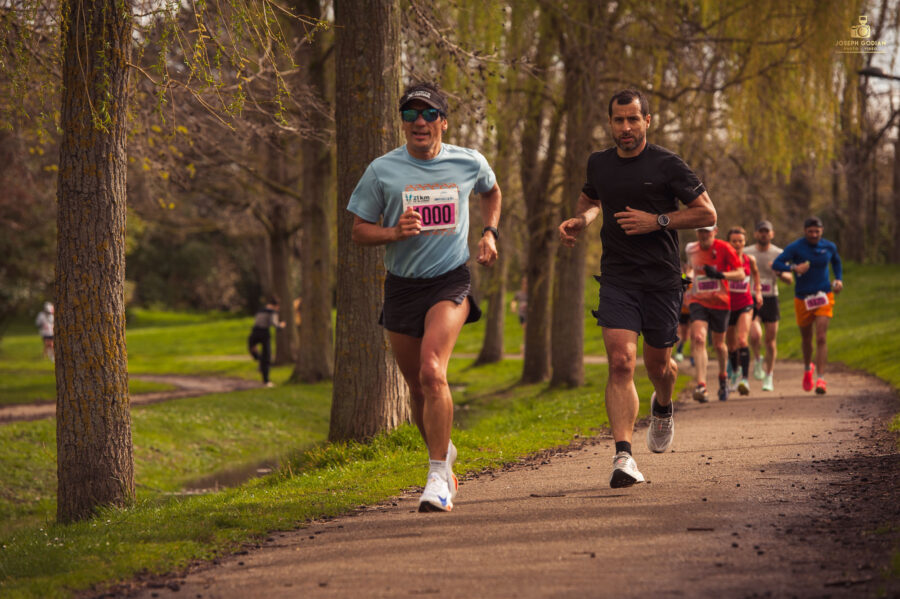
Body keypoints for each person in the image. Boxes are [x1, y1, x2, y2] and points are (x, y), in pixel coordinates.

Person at [347, 82, 501, 512]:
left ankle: (437, 476)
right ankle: (443, 451)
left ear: (443, 122)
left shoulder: (468, 161)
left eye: (429, 114)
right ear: (403, 123)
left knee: (434, 372)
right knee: (416, 387)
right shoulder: (382, 171)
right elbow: (359, 230)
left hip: (449, 281)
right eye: (411, 114)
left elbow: (491, 191)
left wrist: (490, 233)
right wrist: (393, 231)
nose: (420, 122)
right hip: (402, 285)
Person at [558, 89, 716, 488]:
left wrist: (657, 221)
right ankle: (623, 456)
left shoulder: (667, 164)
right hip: (618, 276)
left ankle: (663, 405)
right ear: (610, 123)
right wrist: (583, 219)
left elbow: (706, 213)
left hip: (661, 279)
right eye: (618, 120)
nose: (625, 128)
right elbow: (591, 198)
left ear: (648, 120)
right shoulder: (600, 163)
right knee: (621, 362)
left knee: (659, 367)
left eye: (633, 119)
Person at [772, 216, 843, 394]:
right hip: (802, 298)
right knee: (806, 339)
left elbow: (836, 261)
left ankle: (821, 379)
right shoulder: (796, 247)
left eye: (816, 231)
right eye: (810, 231)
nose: (813, 234)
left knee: (820, 337)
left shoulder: (829, 246)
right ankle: (807, 368)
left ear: (822, 230)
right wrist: (794, 269)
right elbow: (777, 263)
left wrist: (839, 279)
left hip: (824, 296)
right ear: (805, 231)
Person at [685, 225, 744, 403]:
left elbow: (740, 274)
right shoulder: (690, 248)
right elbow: (690, 268)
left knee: (719, 345)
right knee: (699, 338)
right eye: (700, 231)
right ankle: (701, 385)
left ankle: (723, 377)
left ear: (715, 231)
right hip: (698, 300)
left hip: (720, 302)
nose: (704, 234)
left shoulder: (725, 248)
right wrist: (686, 277)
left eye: (707, 231)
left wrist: (720, 275)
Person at [745, 220, 792, 392]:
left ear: (772, 234)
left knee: (770, 340)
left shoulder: (779, 253)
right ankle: (757, 360)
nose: (763, 234)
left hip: (771, 298)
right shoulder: (747, 252)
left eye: (767, 231)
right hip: (751, 297)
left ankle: (769, 376)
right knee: (755, 334)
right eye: (760, 231)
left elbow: (789, 279)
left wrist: (779, 272)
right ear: (756, 234)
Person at [724, 226, 762, 396]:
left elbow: (755, 274)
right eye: (734, 241)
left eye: (740, 241)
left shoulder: (749, 259)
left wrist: (758, 292)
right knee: (731, 345)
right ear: (729, 243)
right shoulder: (724, 261)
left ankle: (745, 380)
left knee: (742, 340)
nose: (738, 244)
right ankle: (735, 372)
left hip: (745, 304)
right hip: (726, 305)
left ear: (745, 242)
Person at [247, 297, 286, 388]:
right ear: (276, 306)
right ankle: (266, 380)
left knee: (252, 348)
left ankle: (259, 360)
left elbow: (256, 322)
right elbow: (275, 324)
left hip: (255, 332)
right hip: (264, 333)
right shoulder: (272, 312)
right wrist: (282, 325)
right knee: (267, 356)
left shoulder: (259, 311)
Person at [674, 262, 693, 363]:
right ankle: (679, 352)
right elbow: (684, 279)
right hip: (682, 310)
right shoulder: (684, 276)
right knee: (680, 332)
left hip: (691, 310)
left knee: (687, 334)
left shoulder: (694, 277)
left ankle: (691, 355)